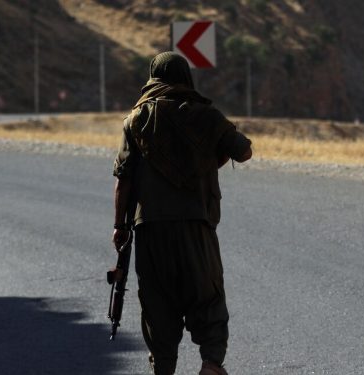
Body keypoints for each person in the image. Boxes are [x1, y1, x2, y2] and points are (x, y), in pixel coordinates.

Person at [112, 52, 252, 375]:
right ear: (185, 77)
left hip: (150, 233)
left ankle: (163, 368)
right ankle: (211, 364)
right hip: (196, 228)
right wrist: (207, 160)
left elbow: (124, 180)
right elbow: (243, 151)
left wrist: (119, 227)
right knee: (208, 299)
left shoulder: (136, 120)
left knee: (158, 308)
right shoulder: (206, 115)